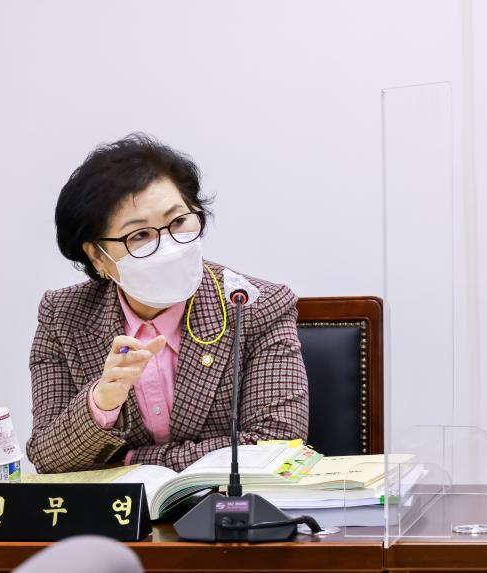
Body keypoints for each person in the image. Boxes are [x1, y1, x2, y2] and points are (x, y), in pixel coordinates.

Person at [26, 134, 308, 473]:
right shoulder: (63, 317)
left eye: (178, 222)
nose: (168, 246)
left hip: (227, 502)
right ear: (97, 256)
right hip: (121, 508)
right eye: (140, 235)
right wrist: (101, 402)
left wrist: (128, 460)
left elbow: (277, 442)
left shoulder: (254, 305)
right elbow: (47, 457)